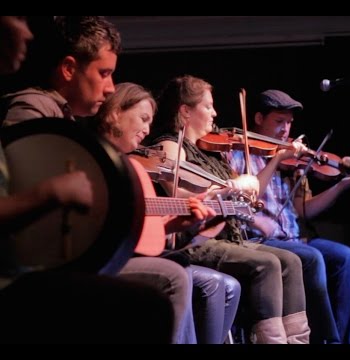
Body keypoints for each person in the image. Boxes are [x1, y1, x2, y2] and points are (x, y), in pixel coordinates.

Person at [0, 16, 174, 344]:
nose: (110, 88)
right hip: (22, 274)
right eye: (104, 73)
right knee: (161, 293)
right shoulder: (31, 110)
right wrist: (53, 192)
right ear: (69, 69)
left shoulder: (61, 116)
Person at [149, 74, 310, 344]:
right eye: (208, 106)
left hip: (229, 236)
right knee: (267, 263)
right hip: (199, 240)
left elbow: (250, 194)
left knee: (291, 261)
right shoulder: (170, 145)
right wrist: (230, 185)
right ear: (186, 111)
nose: (215, 112)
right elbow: (181, 196)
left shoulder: (213, 151)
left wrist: (272, 163)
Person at [92, 81, 241, 344]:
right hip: (99, 261)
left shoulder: (131, 168)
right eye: (143, 119)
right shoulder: (93, 158)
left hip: (124, 255)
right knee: (176, 274)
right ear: (115, 112)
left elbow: (141, 235)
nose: (147, 129)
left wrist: (180, 224)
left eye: (151, 122)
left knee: (205, 277)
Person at [228, 89, 350, 344]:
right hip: (260, 240)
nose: (285, 129)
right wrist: (277, 159)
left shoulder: (291, 161)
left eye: (289, 122)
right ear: (258, 118)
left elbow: (304, 210)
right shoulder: (238, 154)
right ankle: (327, 339)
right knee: (312, 258)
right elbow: (243, 198)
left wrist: (340, 186)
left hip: (293, 238)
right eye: (278, 122)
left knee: (346, 258)